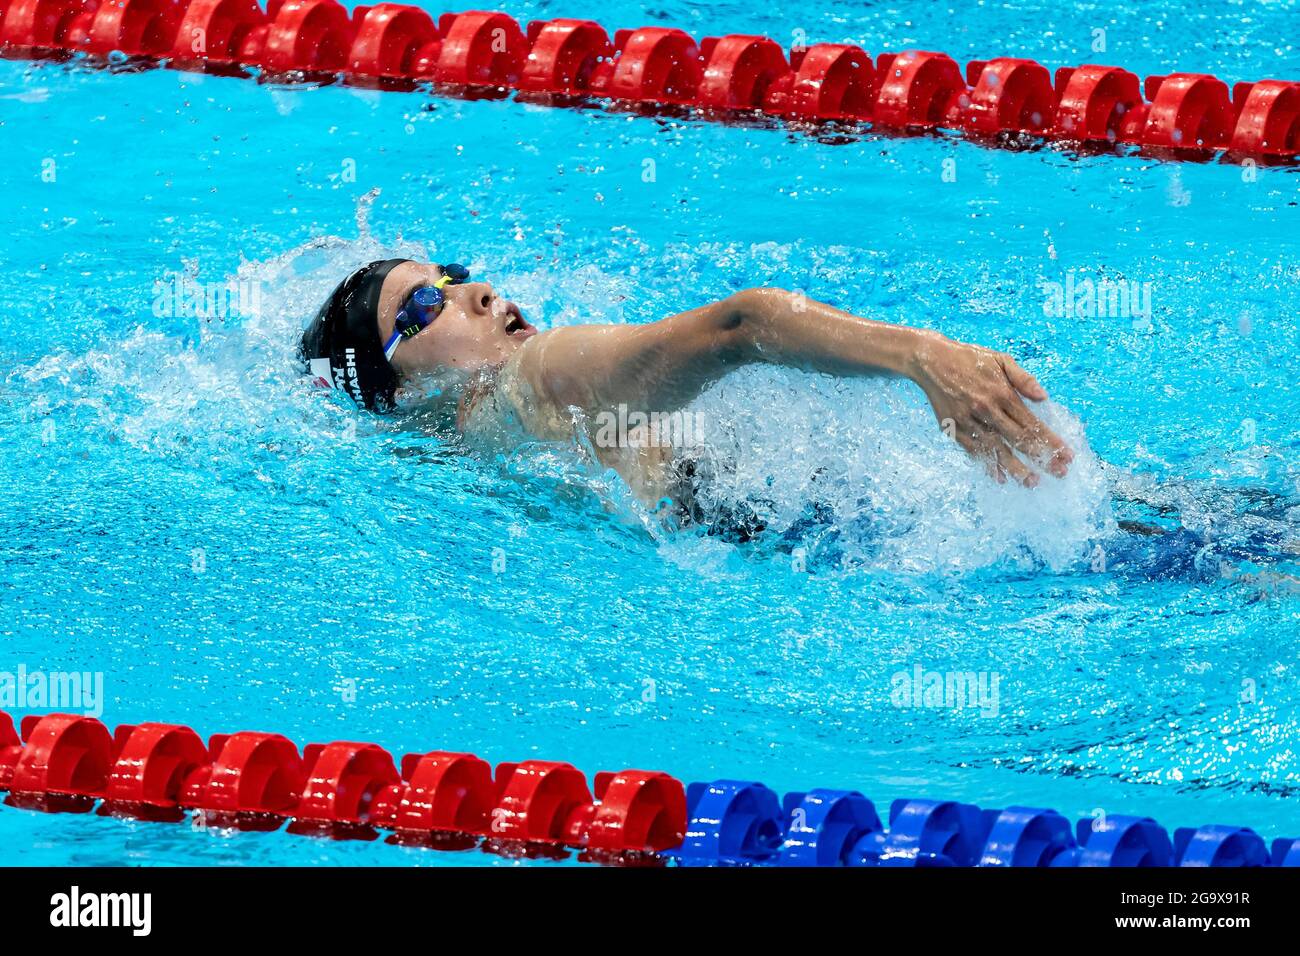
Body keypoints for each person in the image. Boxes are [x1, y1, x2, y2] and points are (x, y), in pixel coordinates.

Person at [302, 256, 1078, 519]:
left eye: (451, 276)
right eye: (424, 307)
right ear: (396, 391)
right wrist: (923, 355)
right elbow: (744, 324)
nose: (476, 291)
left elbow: (740, 333)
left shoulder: (497, 424)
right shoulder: (523, 384)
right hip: (859, 529)